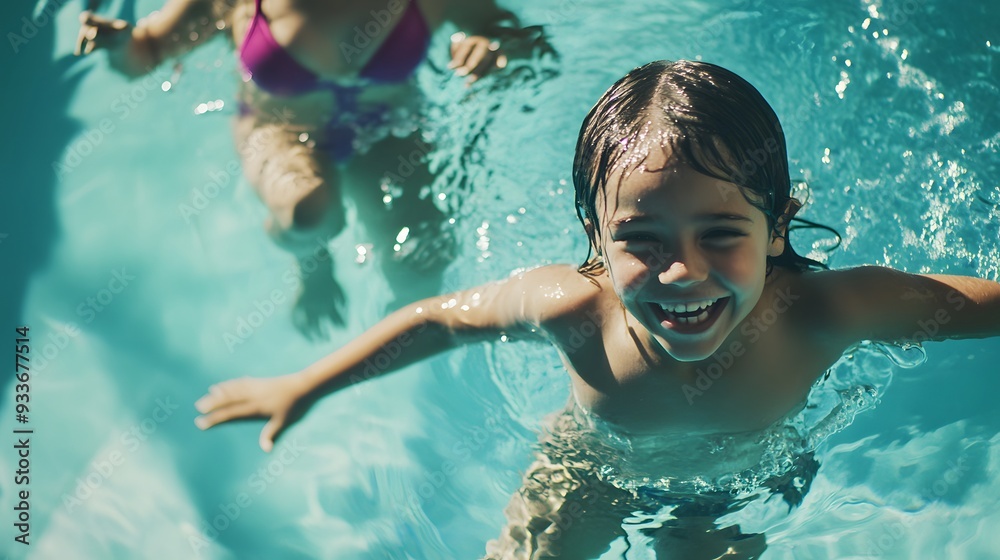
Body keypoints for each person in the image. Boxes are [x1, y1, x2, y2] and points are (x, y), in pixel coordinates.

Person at [193, 60, 1000, 558]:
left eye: (722, 233)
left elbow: (981, 308)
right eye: (641, 239)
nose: (681, 272)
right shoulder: (571, 305)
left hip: (732, 491)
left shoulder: (827, 310)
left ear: (779, 221)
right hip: (589, 470)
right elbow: (439, 319)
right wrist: (305, 385)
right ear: (596, 235)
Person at [75, 0, 554, 337]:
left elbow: (527, 41)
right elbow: (148, 53)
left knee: (420, 275)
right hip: (279, 130)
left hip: (389, 134)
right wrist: (119, 44)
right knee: (309, 211)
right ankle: (313, 266)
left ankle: (383, 381)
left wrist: (492, 49)